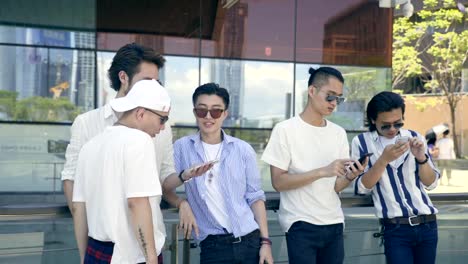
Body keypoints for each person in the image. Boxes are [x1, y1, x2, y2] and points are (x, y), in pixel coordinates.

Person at [61, 43, 201, 241]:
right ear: (123, 77)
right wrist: (86, 247)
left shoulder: (162, 127)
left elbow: (163, 178)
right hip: (105, 242)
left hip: (149, 240)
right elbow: (72, 185)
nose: (154, 87)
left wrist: (183, 186)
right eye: (147, 81)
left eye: (157, 81)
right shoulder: (87, 123)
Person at [261, 67, 364, 264]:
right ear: (312, 91)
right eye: (330, 97)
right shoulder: (285, 130)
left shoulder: (338, 133)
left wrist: (351, 175)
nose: (334, 104)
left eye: (339, 99)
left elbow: (336, 186)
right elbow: (278, 182)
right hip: (300, 224)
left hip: (334, 222)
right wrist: (322, 171)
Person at [163, 83, 274, 264]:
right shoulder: (182, 148)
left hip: (250, 241)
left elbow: (255, 198)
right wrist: (182, 201)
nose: (208, 117)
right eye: (202, 111)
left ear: (225, 114)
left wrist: (266, 242)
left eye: (215, 111)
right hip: (213, 247)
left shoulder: (243, 149)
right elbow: (165, 187)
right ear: (195, 113)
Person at [73, 79, 171, 263]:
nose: (163, 127)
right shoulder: (139, 141)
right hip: (131, 256)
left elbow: (79, 208)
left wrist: (84, 257)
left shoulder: (90, 146)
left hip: (95, 252)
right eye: (162, 119)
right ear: (141, 113)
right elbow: (137, 202)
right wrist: (151, 258)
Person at [351, 91, 440, 264]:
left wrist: (421, 157)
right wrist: (383, 160)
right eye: (385, 125)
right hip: (395, 228)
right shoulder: (361, 142)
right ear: (373, 120)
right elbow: (362, 187)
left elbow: (431, 183)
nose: (392, 129)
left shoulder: (414, 136)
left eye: (397, 123)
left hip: (428, 224)